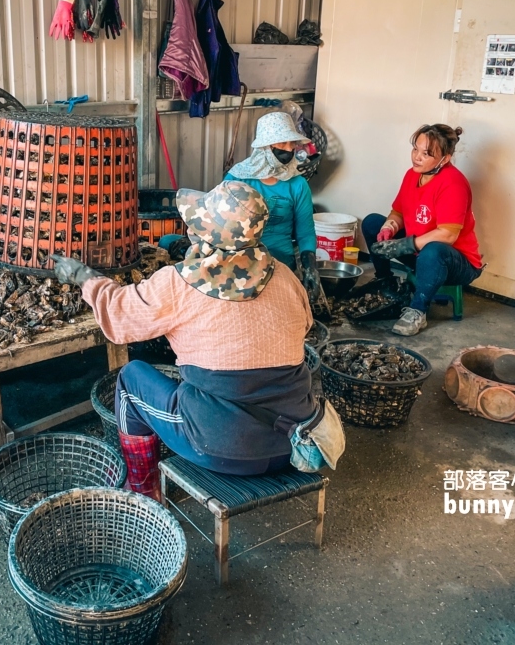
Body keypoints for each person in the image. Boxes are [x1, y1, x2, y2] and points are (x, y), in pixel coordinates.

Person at [52, 181, 317, 501]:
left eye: (197, 225)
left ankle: (143, 489)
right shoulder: (285, 277)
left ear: (205, 235)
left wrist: (83, 276)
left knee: (130, 379)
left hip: (222, 448)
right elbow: (303, 327)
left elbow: (119, 317)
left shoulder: (180, 282)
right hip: (294, 440)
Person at [362, 124, 483, 336]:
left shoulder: (453, 184)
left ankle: (418, 310)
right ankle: (385, 283)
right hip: (420, 252)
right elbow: (398, 212)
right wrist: (389, 228)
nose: (417, 157)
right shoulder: (412, 175)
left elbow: (448, 234)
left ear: (444, 159)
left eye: (426, 154)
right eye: (415, 149)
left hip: (456, 262)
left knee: (433, 250)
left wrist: (403, 245)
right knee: (372, 222)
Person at [223, 110, 320, 302]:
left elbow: (305, 232)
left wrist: (310, 267)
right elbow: (220, 224)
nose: (288, 149)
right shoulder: (237, 178)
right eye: (281, 143)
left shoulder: (297, 184)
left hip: (280, 260)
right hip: (239, 257)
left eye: (291, 143)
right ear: (265, 147)